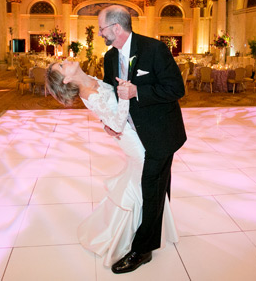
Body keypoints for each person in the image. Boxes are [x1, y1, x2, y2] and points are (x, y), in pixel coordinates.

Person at [45, 60, 178, 269]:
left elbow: (107, 112)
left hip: (134, 129)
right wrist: (124, 96)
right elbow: (116, 122)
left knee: (143, 178)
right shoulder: (87, 92)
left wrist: (109, 114)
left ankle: (147, 230)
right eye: (62, 66)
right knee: (143, 176)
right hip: (129, 137)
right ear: (66, 79)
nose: (65, 61)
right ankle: (132, 238)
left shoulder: (91, 79)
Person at [98, 5, 187, 274]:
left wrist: (138, 91)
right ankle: (164, 221)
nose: (100, 33)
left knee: (151, 184)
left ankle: (143, 249)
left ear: (116, 28)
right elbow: (110, 93)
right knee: (158, 184)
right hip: (134, 134)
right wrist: (109, 122)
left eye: (102, 28)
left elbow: (176, 88)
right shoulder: (109, 57)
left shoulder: (155, 49)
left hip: (161, 132)